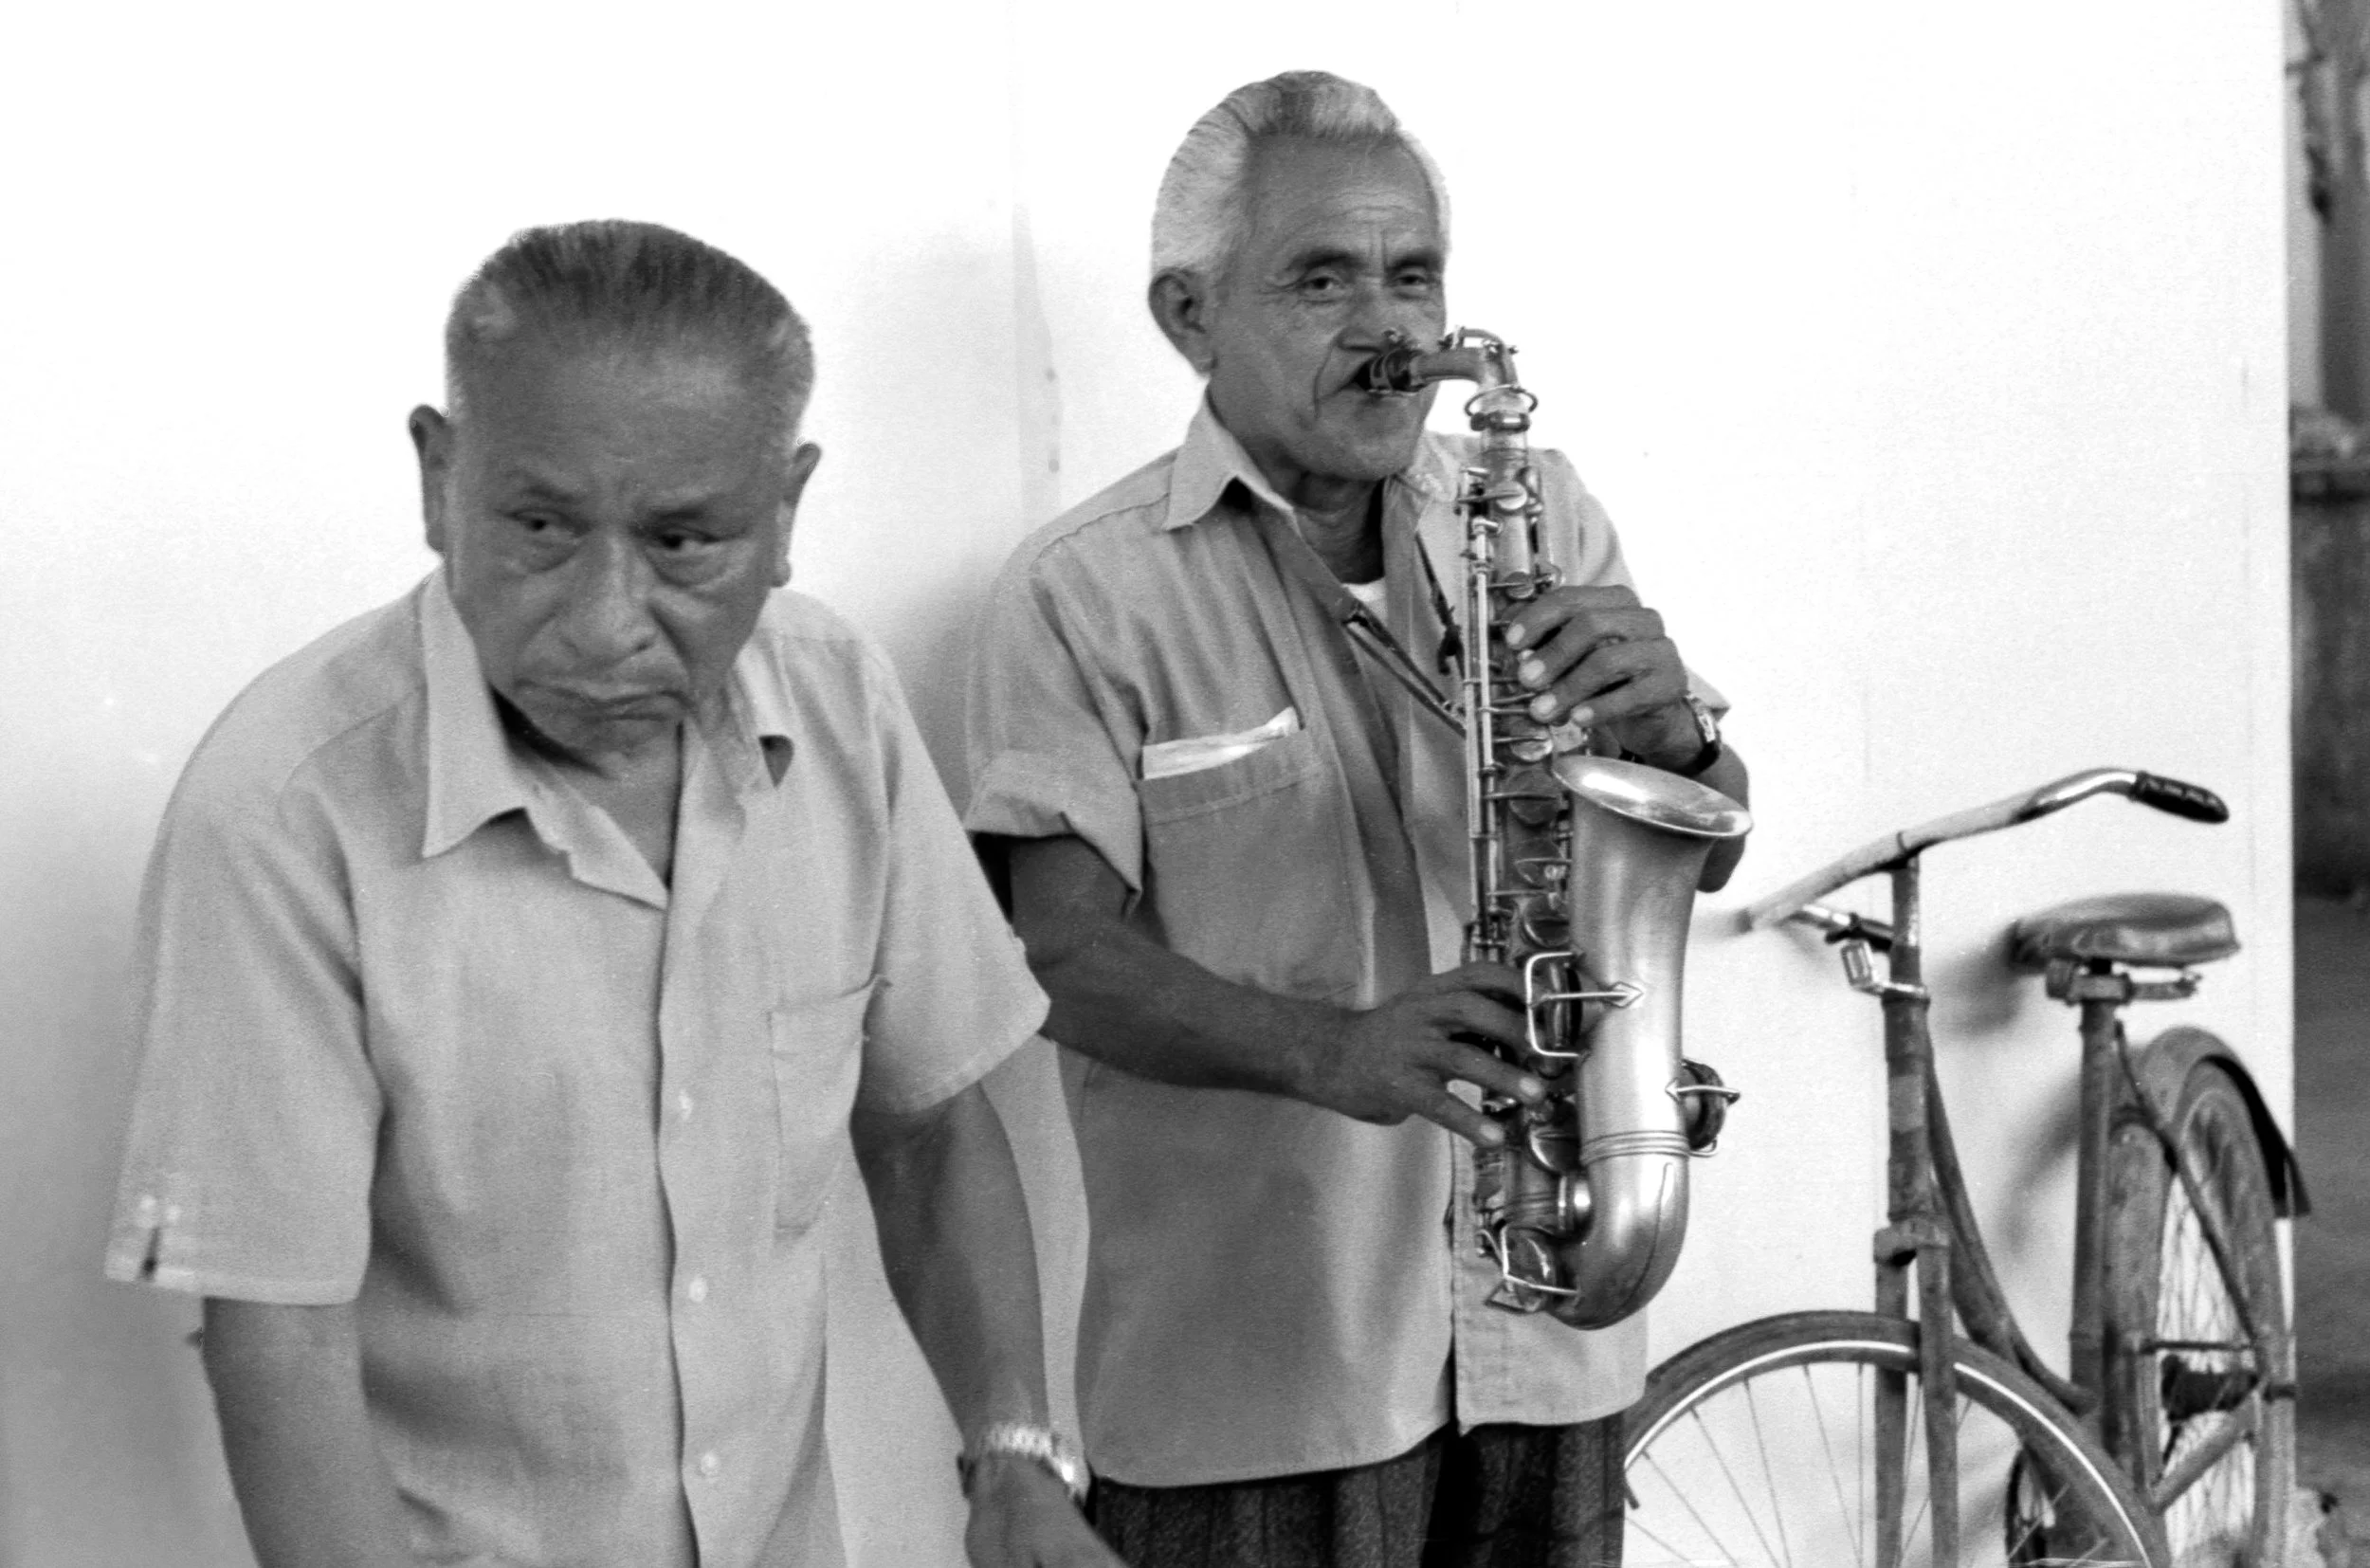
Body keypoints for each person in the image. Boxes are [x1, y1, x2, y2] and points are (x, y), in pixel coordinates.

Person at [103, 220, 1119, 1568]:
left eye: (686, 542)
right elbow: (279, 1340)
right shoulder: (287, 812)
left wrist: (1014, 1460)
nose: (600, 618)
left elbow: (927, 1129)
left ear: (787, 512)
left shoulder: (839, 709)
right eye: (537, 526)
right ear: (436, 478)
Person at [964, 72, 1749, 1568]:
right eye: (1322, 280)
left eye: (1414, 276)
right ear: (1189, 317)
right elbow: (1054, 958)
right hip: (1263, 1375)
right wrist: (1338, 1049)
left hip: (1550, 1321)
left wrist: (1680, 732)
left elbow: (1702, 831)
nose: (1391, 329)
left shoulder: (1543, 513)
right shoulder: (1081, 594)